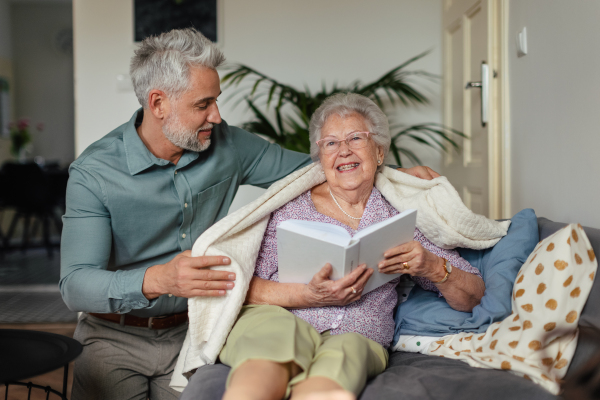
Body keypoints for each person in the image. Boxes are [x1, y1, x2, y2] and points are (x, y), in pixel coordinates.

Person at [59, 29, 438, 400]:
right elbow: (74, 285)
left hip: (194, 332)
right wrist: (160, 279)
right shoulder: (95, 173)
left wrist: (394, 175)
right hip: (115, 337)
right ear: (158, 104)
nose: (217, 116)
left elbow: (315, 167)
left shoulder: (228, 145)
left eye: (216, 100)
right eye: (203, 104)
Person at [179, 93, 488, 400]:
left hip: (358, 335)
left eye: (356, 138)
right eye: (331, 143)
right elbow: (239, 286)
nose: (343, 151)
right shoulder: (290, 208)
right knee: (270, 354)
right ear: (320, 155)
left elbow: (473, 296)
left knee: (342, 362)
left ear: (379, 152)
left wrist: (433, 267)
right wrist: (307, 296)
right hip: (280, 318)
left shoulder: (400, 214)